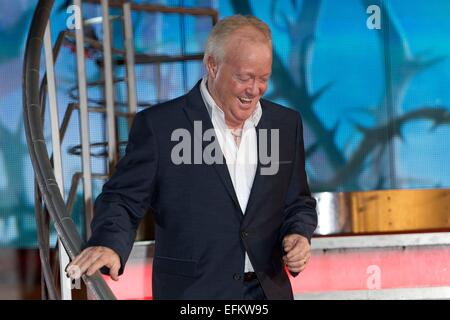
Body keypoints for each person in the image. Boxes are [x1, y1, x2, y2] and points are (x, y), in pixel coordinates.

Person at [66, 15, 317, 300]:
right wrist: (109, 243)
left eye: (263, 79)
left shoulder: (285, 124)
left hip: (268, 293)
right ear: (212, 65)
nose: (254, 89)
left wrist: (298, 233)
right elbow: (123, 198)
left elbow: (298, 201)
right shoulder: (161, 126)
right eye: (244, 77)